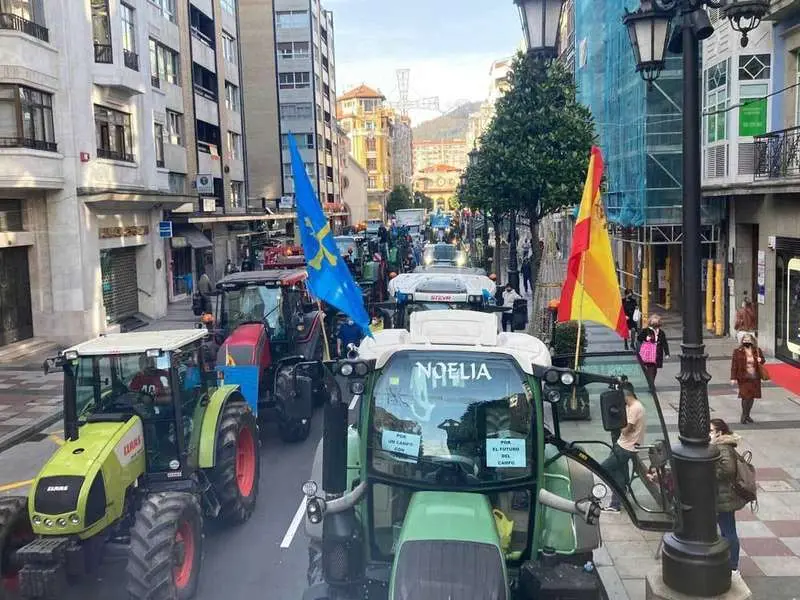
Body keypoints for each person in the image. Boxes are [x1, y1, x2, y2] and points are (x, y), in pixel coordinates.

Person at [602, 382, 646, 513]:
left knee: (604, 468)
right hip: (624, 445)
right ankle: (617, 501)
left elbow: (626, 430)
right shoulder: (633, 406)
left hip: (625, 448)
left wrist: (618, 422)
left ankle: (618, 497)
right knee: (619, 473)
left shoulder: (635, 408)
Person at [710, 418, 746, 576]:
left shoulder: (723, 447)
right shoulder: (717, 446)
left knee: (728, 530)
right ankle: (728, 562)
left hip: (725, 497)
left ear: (719, 432)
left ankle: (733, 566)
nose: (707, 434)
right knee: (725, 530)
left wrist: (708, 471)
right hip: (721, 495)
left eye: (710, 431)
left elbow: (728, 470)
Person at [730, 333, 765, 424]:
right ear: (742, 341)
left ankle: (747, 415)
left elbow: (763, 361)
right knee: (745, 396)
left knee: (752, 396)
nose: (747, 341)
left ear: (752, 341)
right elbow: (734, 365)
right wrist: (733, 378)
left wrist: (760, 360)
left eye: (748, 340)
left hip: (755, 377)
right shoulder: (737, 351)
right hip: (743, 377)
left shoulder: (757, 350)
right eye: (745, 340)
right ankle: (744, 416)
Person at [638, 314, 670, 387]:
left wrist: (667, 353)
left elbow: (664, 343)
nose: (655, 326)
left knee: (654, 369)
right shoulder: (646, 330)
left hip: (657, 353)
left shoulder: (661, 332)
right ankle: (651, 384)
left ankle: (651, 382)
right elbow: (639, 338)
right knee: (650, 368)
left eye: (656, 324)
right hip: (649, 352)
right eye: (653, 324)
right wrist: (646, 338)